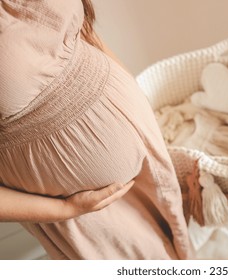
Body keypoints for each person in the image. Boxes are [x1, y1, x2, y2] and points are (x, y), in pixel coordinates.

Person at [0, 0, 192, 260]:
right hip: (66, 192)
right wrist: (65, 209)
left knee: (173, 235)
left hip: (139, 135)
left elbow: (85, 31)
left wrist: (132, 96)